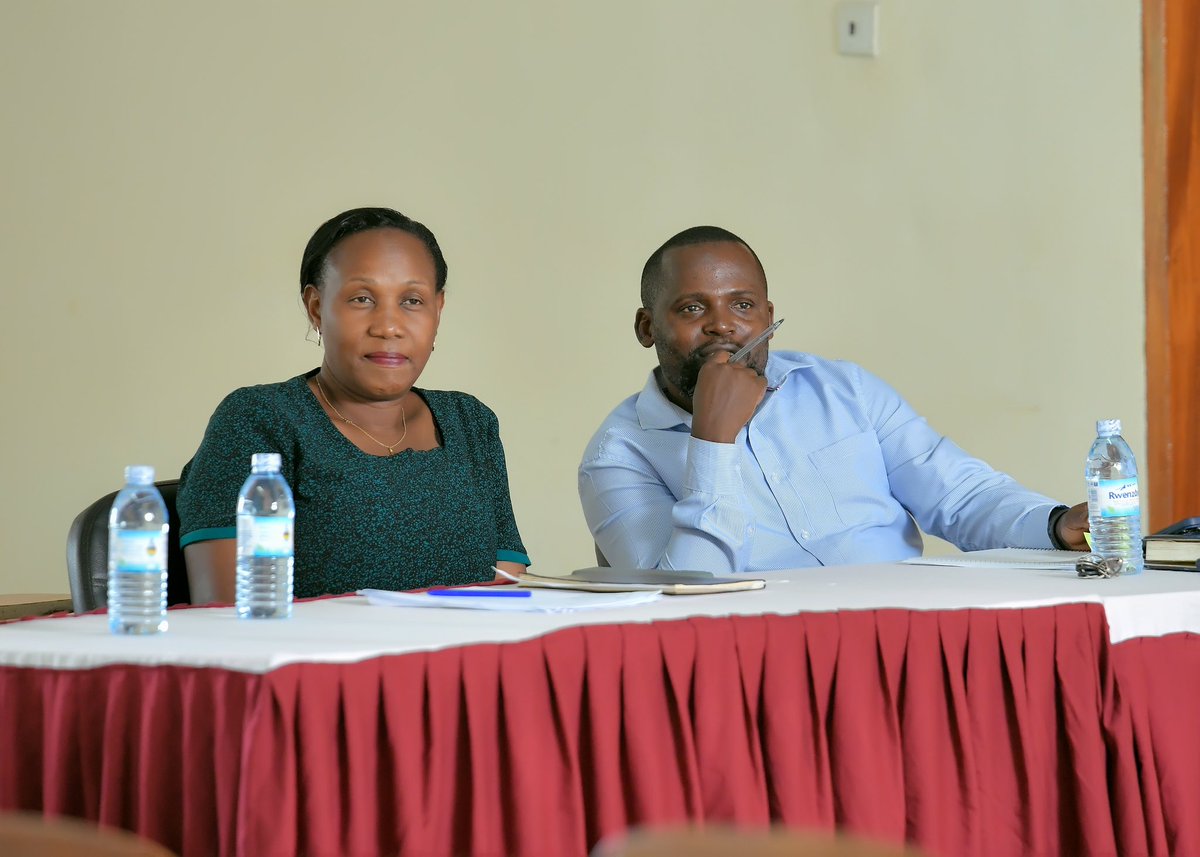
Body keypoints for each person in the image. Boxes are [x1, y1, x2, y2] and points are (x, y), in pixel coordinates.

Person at [578, 225, 1089, 573]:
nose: (724, 325)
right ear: (648, 328)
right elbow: (681, 598)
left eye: (743, 305)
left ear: (768, 316)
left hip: (906, 632)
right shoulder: (617, 456)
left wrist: (1055, 525)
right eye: (692, 308)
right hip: (761, 666)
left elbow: (959, 496)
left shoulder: (844, 389)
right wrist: (715, 440)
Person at [178, 207, 529, 602]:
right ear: (316, 308)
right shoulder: (261, 419)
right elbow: (227, 612)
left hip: (459, 661)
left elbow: (505, 595)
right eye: (362, 299)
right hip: (317, 662)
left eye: (412, 301)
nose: (389, 327)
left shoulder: (470, 423)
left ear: (438, 310)